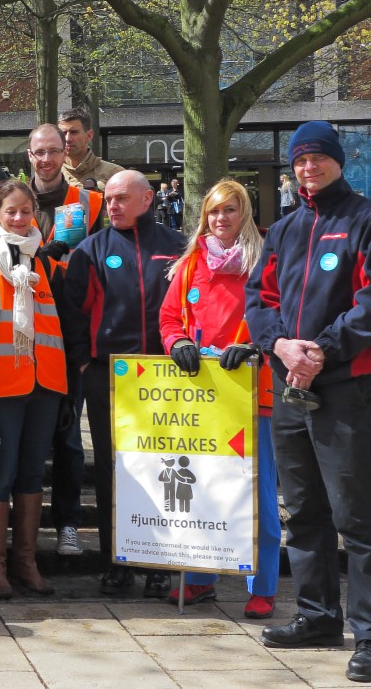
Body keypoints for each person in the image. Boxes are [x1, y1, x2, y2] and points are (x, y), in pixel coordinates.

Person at [245, 121, 371, 681]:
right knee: (305, 512)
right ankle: (319, 615)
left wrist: (319, 350)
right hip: (289, 387)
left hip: (347, 387)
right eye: (300, 160)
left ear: (337, 161)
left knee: (358, 518)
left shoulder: (363, 219)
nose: (308, 167)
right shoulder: (287, 227)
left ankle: (368, 636)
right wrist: (277, 343)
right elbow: (259, 297)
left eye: (318, 157)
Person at [159, 180, 279, 617]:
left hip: (254, 393)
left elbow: (278, 312)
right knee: (204, 490)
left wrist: (257, 345)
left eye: (230, 210)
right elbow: (171, 317)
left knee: (259, 496)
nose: (221, 219)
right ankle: (201, 580)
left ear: (243, 213)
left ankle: (263, 586)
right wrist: (176, 344)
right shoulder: (191, 263)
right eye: (213, 212)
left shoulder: (263, 259)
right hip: (203, 396)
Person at [63, 170, 184, 597]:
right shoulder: (91, 249)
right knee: (116, 472)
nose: (112, 205)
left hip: (167, 377)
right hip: (109, 376)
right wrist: (82, 362)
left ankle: (159, 565)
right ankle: (116, 562)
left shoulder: (177, 247)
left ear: (148, 199)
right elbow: (72, 311)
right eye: (108, 199)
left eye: (121, 198)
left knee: (162, 470)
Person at [0, 180, 67, 598]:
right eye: (11, 212)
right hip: (0, 386)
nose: (20, 219)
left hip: (46, 384)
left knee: (32, 475)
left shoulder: (50, 267)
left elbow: (66, 329)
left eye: (26, 212)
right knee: (1, 475)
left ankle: (26, 561)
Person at [26, 123, 105, 558]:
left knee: (70, 441)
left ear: (66, 151)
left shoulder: (90, 204)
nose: (47, 159)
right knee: (25, 444)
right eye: (39, 152)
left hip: (71, 337)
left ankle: (69, 523)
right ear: (30, 157)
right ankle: (26, 528)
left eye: (54, 151)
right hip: (22, 339)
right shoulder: (11, 202)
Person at [57, 107, 125, 189]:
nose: (68, 139)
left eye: (74, 132)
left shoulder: (115, 174)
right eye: (63, 133)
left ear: (89, 135)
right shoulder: (50, 174)